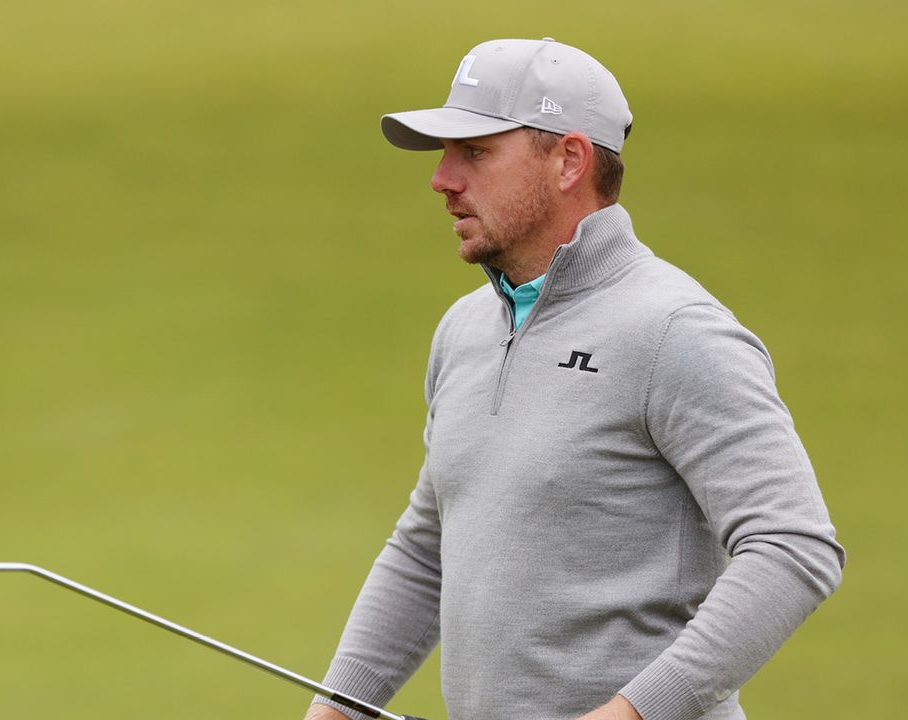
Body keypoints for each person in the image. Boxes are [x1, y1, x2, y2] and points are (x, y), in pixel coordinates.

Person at [304, 38, 844, 720]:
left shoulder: (675, 331)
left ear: (568, 161)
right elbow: (427, 546)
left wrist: (628, 714)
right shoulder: (465, 330)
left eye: (474, 152)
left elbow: (793, 547)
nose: (442, 179)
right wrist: (337, 709)